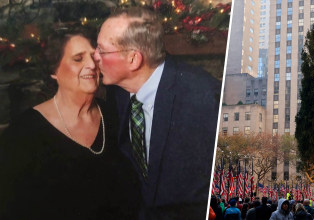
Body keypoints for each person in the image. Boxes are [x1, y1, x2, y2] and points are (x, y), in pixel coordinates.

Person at [94, 7, 221, 219]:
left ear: (134, 60)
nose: (94, 57)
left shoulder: (203, 99)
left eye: (102, 50)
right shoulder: (118, 92)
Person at [0, 31, 141, 219]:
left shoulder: (115, 115)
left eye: (94, 56)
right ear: (54, 70)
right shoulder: (24, 132)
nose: (91, 65)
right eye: (78, 59)